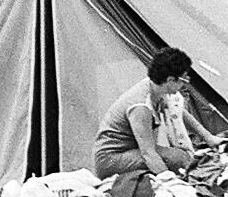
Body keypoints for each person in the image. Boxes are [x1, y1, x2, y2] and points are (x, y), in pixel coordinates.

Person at [93, 47, 219, 179]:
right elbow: (148, 153)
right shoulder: (141, 107)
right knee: (177, 159)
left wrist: (209, 138)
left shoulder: (156, 88)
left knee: (181, 157)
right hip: (111, 159)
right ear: (170, 80)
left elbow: (177, 111)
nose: (184, 85)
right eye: (183, 80)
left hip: (131, 150)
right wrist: (171, 182)